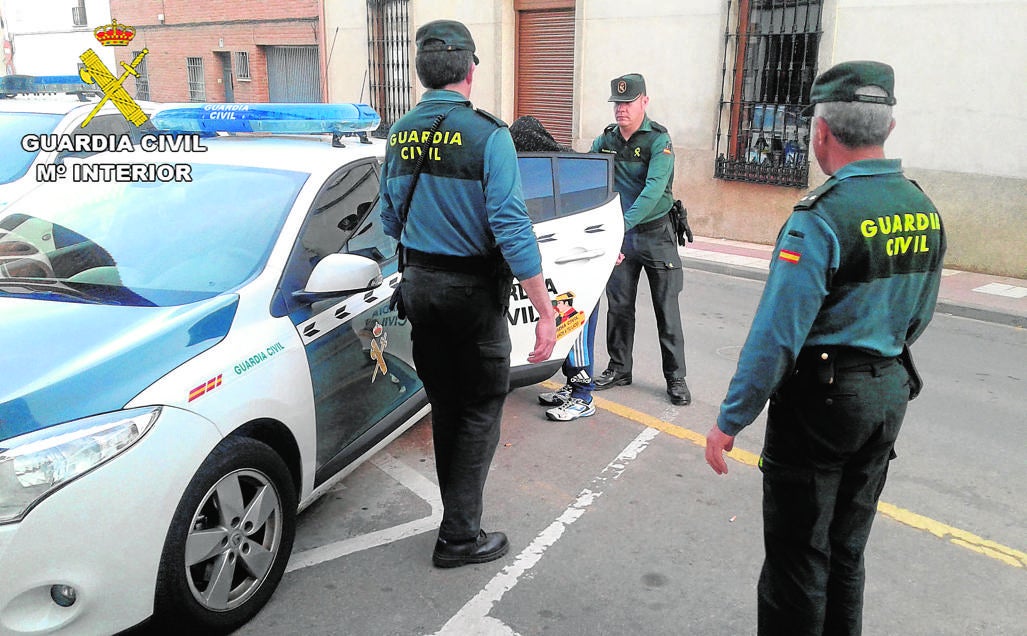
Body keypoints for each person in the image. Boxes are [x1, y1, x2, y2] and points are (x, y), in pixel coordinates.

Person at [704, 61, 946, 635]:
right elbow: (919, 315)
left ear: (821, 133)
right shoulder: (921, 207)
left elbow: (776, 338)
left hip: (823, 404)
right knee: (846, 549)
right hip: (887, 390)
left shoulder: (822, 217)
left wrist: (729, 421)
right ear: (889, 126)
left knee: (797, 559)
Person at [379, 19, 557, 569]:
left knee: (449, 407)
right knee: (480, 407)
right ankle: (459, 536)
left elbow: (388, 218)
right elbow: (511, 227)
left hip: (419, 290)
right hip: (472, 298)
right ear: (470, 70)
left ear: (420, 71)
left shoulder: (399, 133)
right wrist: (546, 311)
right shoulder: (488, 134)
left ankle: (454, 521)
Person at [590, 73, 690, 406]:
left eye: (628, 102)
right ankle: (619, 367)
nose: (621, 109)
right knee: (618, 305)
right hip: (622, 237)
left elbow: (653, 192)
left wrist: (620, 224)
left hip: (656, 234)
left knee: (666, 307)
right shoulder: (606, 141)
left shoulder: (658, 141)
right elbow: (587, 171)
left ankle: (675, 377)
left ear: (644, 102)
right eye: (617, 103)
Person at [508, 115, 598, 422]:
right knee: (561, 330)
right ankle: (571, 386)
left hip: (578, 266)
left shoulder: (568, 170)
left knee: (575, 329)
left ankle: (583, 396)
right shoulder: (551, 170)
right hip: (557, 267)